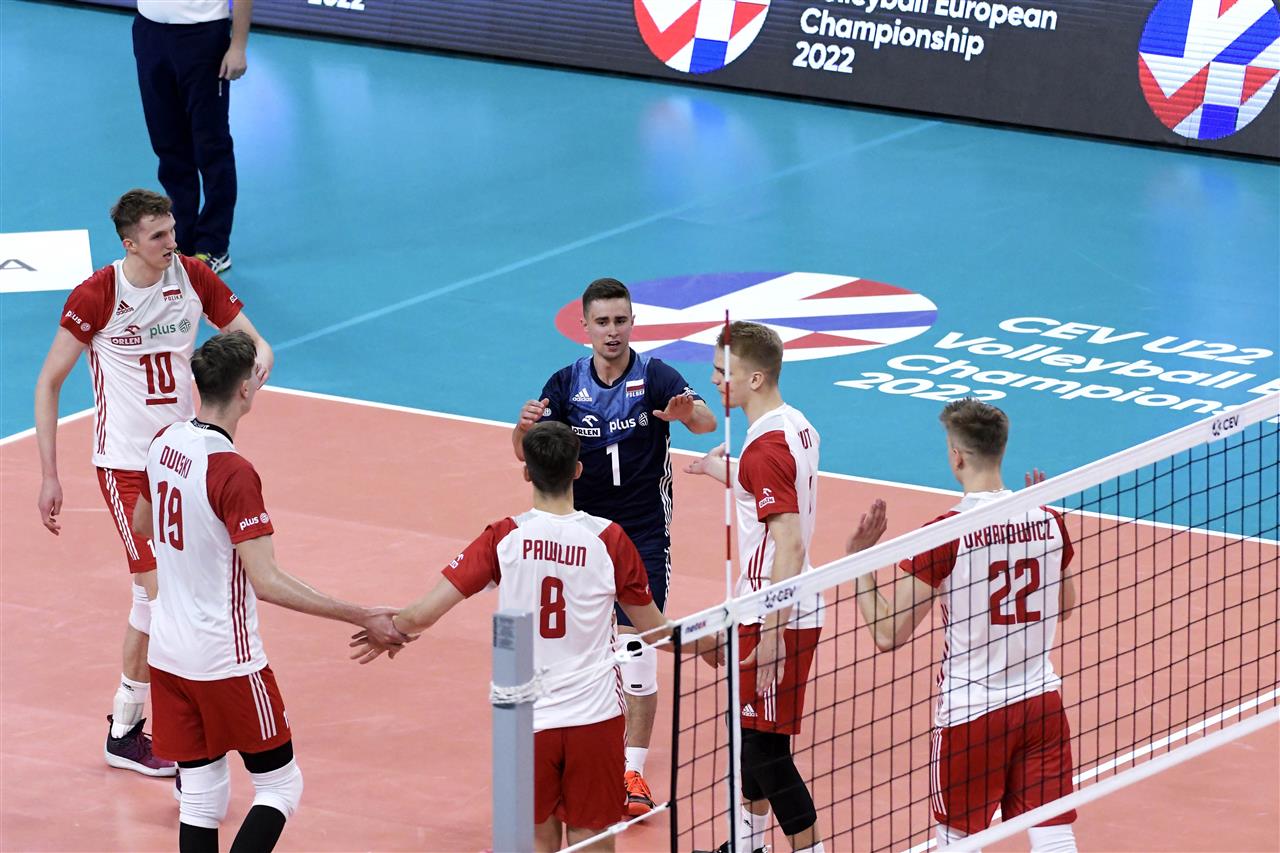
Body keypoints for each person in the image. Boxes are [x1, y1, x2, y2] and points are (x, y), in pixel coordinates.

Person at [352, 421, 719, 852]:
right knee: (592, 842)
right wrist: (709, 643)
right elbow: (654, 629)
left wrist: (390, 629)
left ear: (527, 472)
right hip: (594, 719)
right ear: (578, 470)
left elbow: (422, 614)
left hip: (523, 720)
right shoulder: (610, 540)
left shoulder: (503, 537)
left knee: (532, 842)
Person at [132, 331, 409, 853]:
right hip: (226, 660)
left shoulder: (164, 441)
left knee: (200, 798)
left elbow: (143, 524)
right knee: (280, 785)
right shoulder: (231, 471)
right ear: (245, 390)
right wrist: (361, 614)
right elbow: (267, 581)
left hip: (168, 654)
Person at [34, 188, 273, 777]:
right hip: (126, 465)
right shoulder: (98, 295)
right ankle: (135, 728)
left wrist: (259, 364)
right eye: (159, 236)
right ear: (130, 243)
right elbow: (48, 382)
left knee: (175, 592)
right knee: (155, 596)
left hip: (184, 458)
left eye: (172, 230)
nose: (172, 243)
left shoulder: (191, 276)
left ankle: (146, 725)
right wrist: (49, 475)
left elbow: (255, 342)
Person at [513, 277, 717, 814]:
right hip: (582, 532)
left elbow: (706, 422)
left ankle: (632, 771)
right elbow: (525, 452)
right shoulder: (566, 384)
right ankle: (574, 757)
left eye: (620, 320)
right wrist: (521, 427)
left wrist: (685, 414)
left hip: (642, 532)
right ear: (585, 326)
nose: (612, 331)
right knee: (577, 646)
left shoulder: (656, 376)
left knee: (636, 648)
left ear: (632, 323)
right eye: (602, 322)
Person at [850, 398, 1078, 852]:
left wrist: (860, 562)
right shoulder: (1050, 520)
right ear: (1001, 449)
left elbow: (887, 633)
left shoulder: (946, 534)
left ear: (956, 456)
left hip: (971, 716)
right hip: (1041, 707)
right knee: (1054, 837)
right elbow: (1066, 607)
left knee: (958, 842)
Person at [684, 321, 826, 853]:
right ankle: (747, 847)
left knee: (767, 752)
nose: (714, 381)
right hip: (773, 606)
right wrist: (717, 469)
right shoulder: (796, 425)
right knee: (751, 739)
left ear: (756, 378)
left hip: (775, 612)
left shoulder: (767, 448)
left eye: (724, 372)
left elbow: (788, 542)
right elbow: (765, 480)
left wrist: (771, 631)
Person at [133, 0, 251, 273]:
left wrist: (238, 46)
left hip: (202, 36)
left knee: (211, 147)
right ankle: (180, 239)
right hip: (149, 32)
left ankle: (214, 245)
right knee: (168, 144)